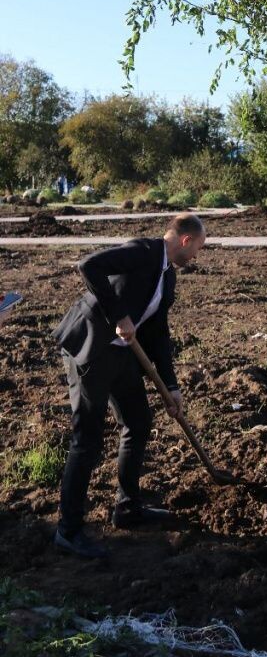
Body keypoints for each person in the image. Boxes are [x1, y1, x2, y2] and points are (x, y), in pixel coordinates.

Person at [53, 212, 206, 559]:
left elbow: (157, 332)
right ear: (185, 241)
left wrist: (171, 385)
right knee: (88, 438)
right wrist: (118, 314)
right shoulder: (142, 251)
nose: (197, 255)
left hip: (121, 353)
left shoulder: (167, 277)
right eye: (199, 247)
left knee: (138, 422)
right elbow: (88, 265)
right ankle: (68, 529)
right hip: (90, 349)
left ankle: (128, 508)